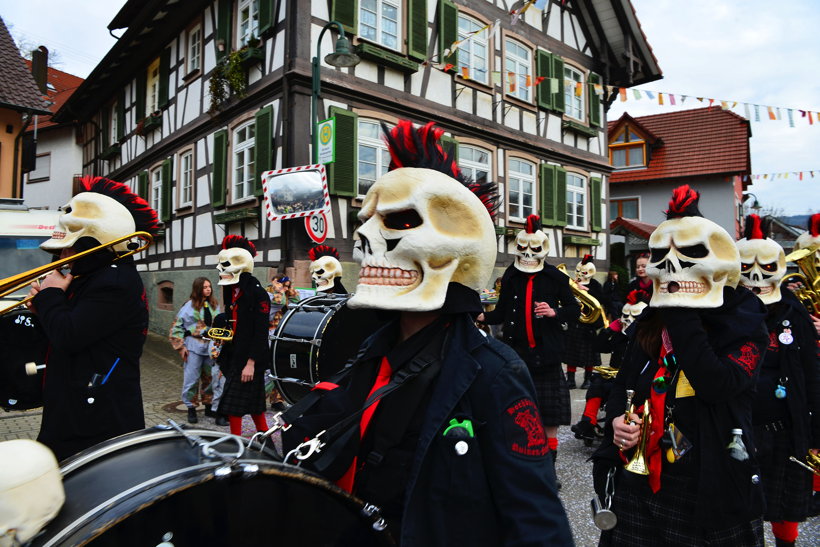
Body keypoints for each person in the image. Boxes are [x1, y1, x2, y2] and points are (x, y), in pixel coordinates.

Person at [282, 120, 572, 545]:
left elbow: (536, 519)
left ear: (460, 247)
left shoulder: (494, 373)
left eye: (397, 221)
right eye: (367, 220)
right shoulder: (370, 351)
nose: (364, 236)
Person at [592, 185, 769, 546]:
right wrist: (616, 421)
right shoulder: (650, 320)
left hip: (709, 484)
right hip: (640, 481)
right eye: (662, 255)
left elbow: (717, 384)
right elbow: (623, 383)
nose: (671, 265)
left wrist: (682, 311)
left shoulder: (745, 321)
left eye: (688, 255)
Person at [27, 176, 158, 461]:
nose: (62, 255)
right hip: (77, 411)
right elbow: (67, 331)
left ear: (93, 242)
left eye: (69, 247)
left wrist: (50, 297)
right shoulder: (93, 276)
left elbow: (69, 335)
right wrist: (44, 311)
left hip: (97, 421)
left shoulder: (114, 282)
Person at [478, 214, 580, 487]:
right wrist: (481, 317)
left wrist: (554, 311)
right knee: (518, 413)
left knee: (549, 416)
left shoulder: (555, 276)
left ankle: (549, 470)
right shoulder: (510, 274)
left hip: (547, 357)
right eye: (522, 248)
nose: (527, 254)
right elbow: (499, 312)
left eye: (533, 249)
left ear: (544, 249)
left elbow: (575, 309)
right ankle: (521, 464)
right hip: (517, 357)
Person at [737, 214, 819, 547]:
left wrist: (816, 431)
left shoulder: (794, 311)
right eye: (747, 268)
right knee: (742, 505)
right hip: (738, 425)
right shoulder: (725, 309)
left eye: (766, 268)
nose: (756, 276)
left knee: (785, 505)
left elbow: (811, 372)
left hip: (785, 424)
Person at [571, 289, 649, 444]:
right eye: (625, 316)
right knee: (597, 384)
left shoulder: (645, 339)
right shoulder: (620, 336)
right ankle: (588, 422)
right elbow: (600, 346)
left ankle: (610, 425)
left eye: (633, 316)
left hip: (631, 380)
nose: (628, 320)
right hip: (613, 375)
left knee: (609, 387)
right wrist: (609, 330)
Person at [213, 235, 270, 437]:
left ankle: (235, 441)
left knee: (232, 405)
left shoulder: (258, 293)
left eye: (225, 266)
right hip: (235, 355)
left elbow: (261, 332)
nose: (220, 271)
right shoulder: (231, 290)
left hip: (249, 359)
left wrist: (251, 363)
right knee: (255, 405)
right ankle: (265, 436)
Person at [169, 277, 227, 426]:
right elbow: (177, 327)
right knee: (192, 378)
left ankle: (209, 406)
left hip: (211, 347)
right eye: (204, 287)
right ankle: (191, 408)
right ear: (198, 289)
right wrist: (181, 347)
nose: (208, 289)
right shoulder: (189, 306)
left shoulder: (214, 305)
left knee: (211, 378)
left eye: (209, 287)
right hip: (193, 346)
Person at [564, 254, 605, 389]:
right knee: (571, 354)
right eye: (578, 271)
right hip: (575, 322)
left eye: (583, 272)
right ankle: (570, 379)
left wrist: (587, 291)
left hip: (589, 325)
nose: (580, 274)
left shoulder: (595, 285)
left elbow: (600, 300)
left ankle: (588, 379)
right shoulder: (572, 284)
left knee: (590, 355)